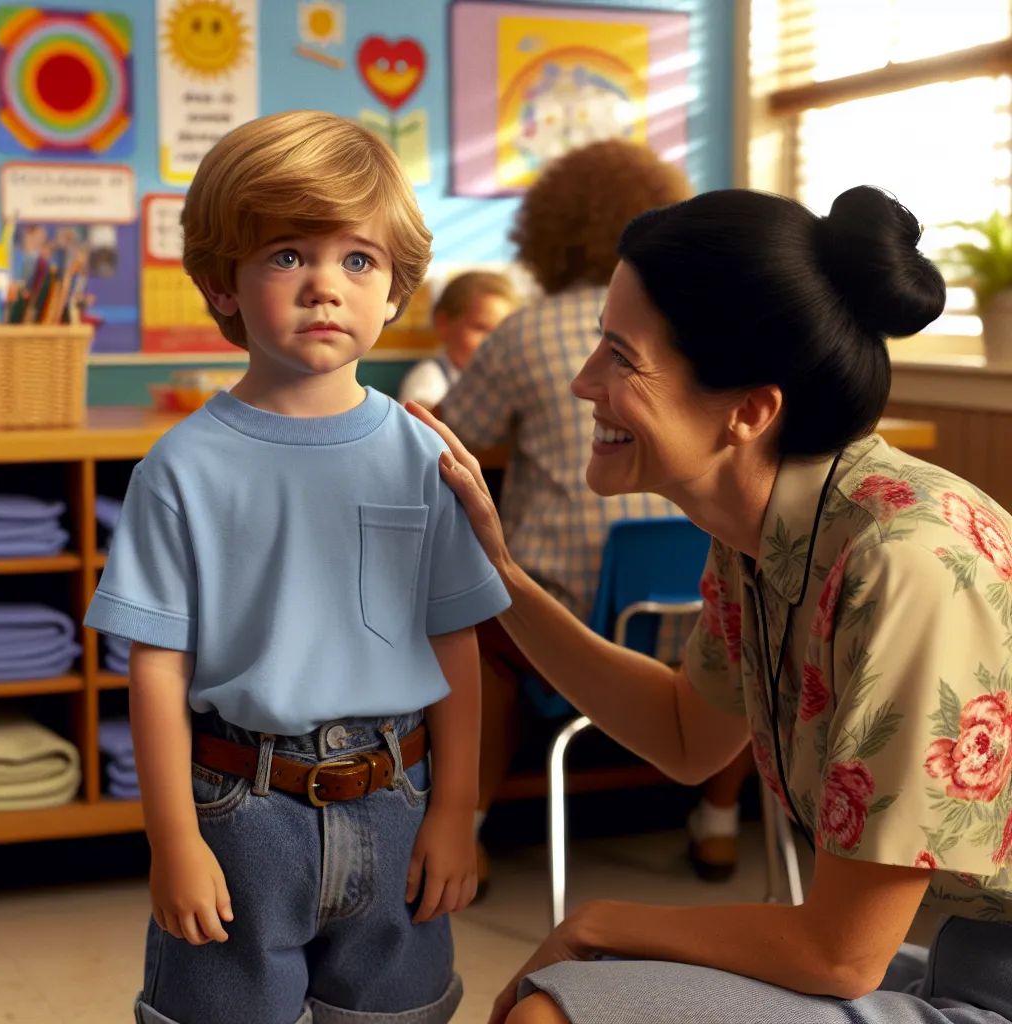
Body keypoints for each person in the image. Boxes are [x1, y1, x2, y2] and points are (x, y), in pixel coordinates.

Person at [408, 183, 1012, 1024]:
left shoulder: (906, 561)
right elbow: (689, 735)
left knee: (557, 1010)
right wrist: (499, 577)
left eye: (621, 357)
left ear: (750, 411)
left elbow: (841, 955)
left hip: (985, 982)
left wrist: (600, 923)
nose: (585, 383)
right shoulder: (766, 533)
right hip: (962, 958)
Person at [84, 110, 510, 1024]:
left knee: (400, 1014)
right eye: (286, 255)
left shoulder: (421, 452)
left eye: (357, 259)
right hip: (240, 811)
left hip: (400, 793)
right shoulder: (180, 468)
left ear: (396, 287)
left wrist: (455, 812)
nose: (325, 285)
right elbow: (158, 669)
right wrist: (173, 840)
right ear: (221, 284)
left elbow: (456, 643)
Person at [438, 138, 750, 887]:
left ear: (544, 236)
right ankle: (717, 821)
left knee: (481, 635)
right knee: (747, 638)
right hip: (692, 608)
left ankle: (467, 824)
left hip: (570, 617)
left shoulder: (525, 330)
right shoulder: (699, 329)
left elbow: (452, 438)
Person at [397, 270, 518, 409]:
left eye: (500, 332)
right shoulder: (428, 379)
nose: (492, 343)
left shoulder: (500, 379)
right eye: (480, 328)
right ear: (443, 324)